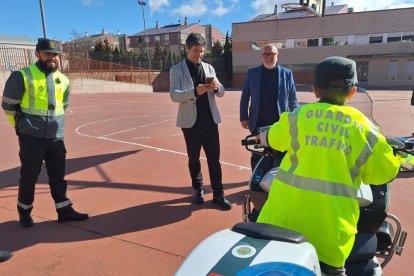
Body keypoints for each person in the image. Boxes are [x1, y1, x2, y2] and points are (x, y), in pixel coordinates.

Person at [256, 56, 400, 275]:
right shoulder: (364, 127)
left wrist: (264, 137)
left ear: (315, 90)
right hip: (330, 238)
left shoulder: (298, 116)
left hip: (279, 225)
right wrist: (396, 157)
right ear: (352, 92)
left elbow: (274, 138)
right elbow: (384, 172)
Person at [1, 38, 89, 228]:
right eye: (48, 53)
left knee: (58, 176)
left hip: (55, 137)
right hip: (31, 137)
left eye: (55, 54)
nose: (52, 57)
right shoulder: (22, 75)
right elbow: (8, 105)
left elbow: (63, 106)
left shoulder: (63, 80)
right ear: (37, 54)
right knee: (29, 176)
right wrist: (21, 126)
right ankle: (24, 212)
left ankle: (64, 210)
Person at [170, 33, 232, 210]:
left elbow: (221, 92)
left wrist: (217, 88)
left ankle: (219, 194)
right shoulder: (177, 70)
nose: (199, 55)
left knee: (214, 159)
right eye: (196, 51)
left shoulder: (209, 68)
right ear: (187, 49)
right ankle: (198, 189)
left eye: (202, 51)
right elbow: (174, 96)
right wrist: (195, 92)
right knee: (194, 159)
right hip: (190, 124)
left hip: (211, 121)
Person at [240, 43, 298, 170]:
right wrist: (243, 117)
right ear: (261, 56)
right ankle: (257, 181)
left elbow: (293, 99)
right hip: (258, 122)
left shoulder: (287, 74)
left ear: (277, 56)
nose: (268, 57)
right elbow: (245, 96)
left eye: (272, 54)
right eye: (265, 54)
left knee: (279, 155)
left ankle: (275, 182)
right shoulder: (252, 73)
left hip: (279, 123)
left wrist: (295, 119)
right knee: (258, 155)